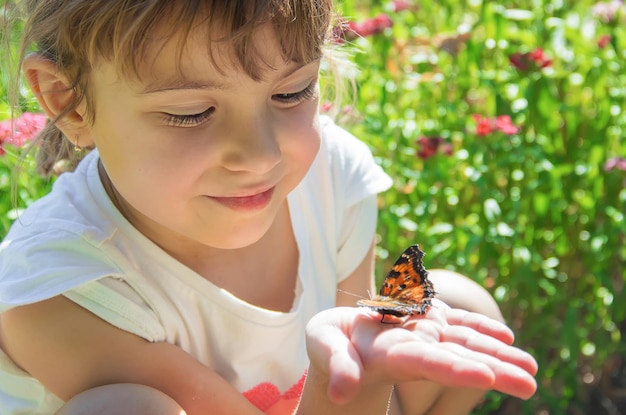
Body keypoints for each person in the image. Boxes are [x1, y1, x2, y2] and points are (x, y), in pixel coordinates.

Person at [0, 1, 538, 414]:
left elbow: (368, 370)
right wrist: (339, 382)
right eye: (192, 113)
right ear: (65, 100)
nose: (260, 156)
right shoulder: (60, 291)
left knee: (462, 305)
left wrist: (367, 367)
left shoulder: (333, 176)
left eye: (292, 92)